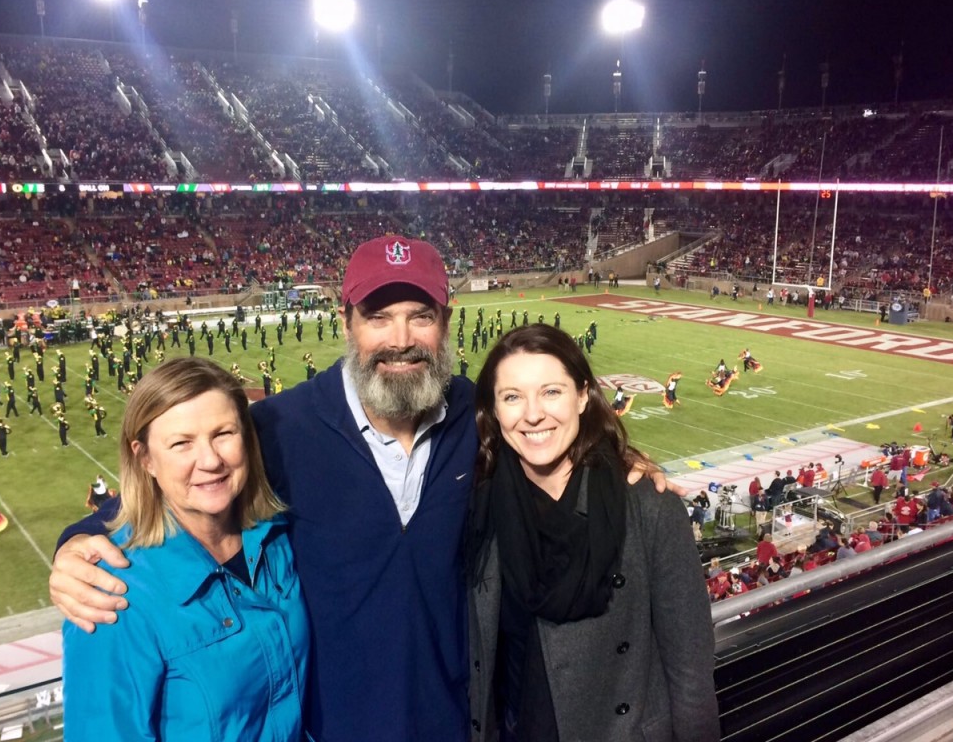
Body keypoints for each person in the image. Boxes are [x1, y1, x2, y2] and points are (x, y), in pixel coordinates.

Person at [50, 236, 676, 742]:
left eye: (419, 316)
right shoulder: (279, 427)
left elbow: (555, 433)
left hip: (460, 723)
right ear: (347, 321)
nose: (400, 338)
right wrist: (74, 545)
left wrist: (622, 458)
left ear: (446, 323)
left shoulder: (476, 416)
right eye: (378, 316)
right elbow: (167, 487)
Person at [466, 324, 719, 742]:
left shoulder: (648, 507)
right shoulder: (480, 506)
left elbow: (691, 676)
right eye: (512, 397)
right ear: (493, 409)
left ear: (583, 395)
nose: (532, 414)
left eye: (551, 391)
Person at [62, 358, 309, 740]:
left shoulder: (276, 539)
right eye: (181, 443)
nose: (210, 460)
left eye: (224, 433)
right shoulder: (110, 594)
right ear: (145, 458)